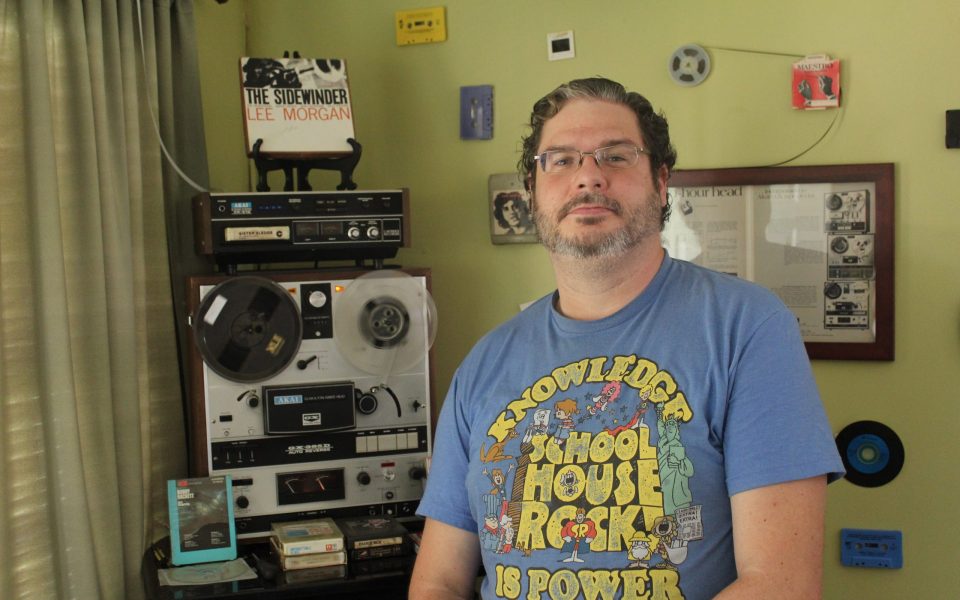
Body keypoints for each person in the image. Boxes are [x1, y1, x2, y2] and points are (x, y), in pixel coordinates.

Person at [410, 77, 844, 600]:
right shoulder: (485, 361)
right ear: (532, 191)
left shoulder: (747, 327)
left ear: (661, 183)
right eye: (561, 160)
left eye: (616, 156)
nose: (588, 176)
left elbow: (782, 585)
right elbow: (438, 581)